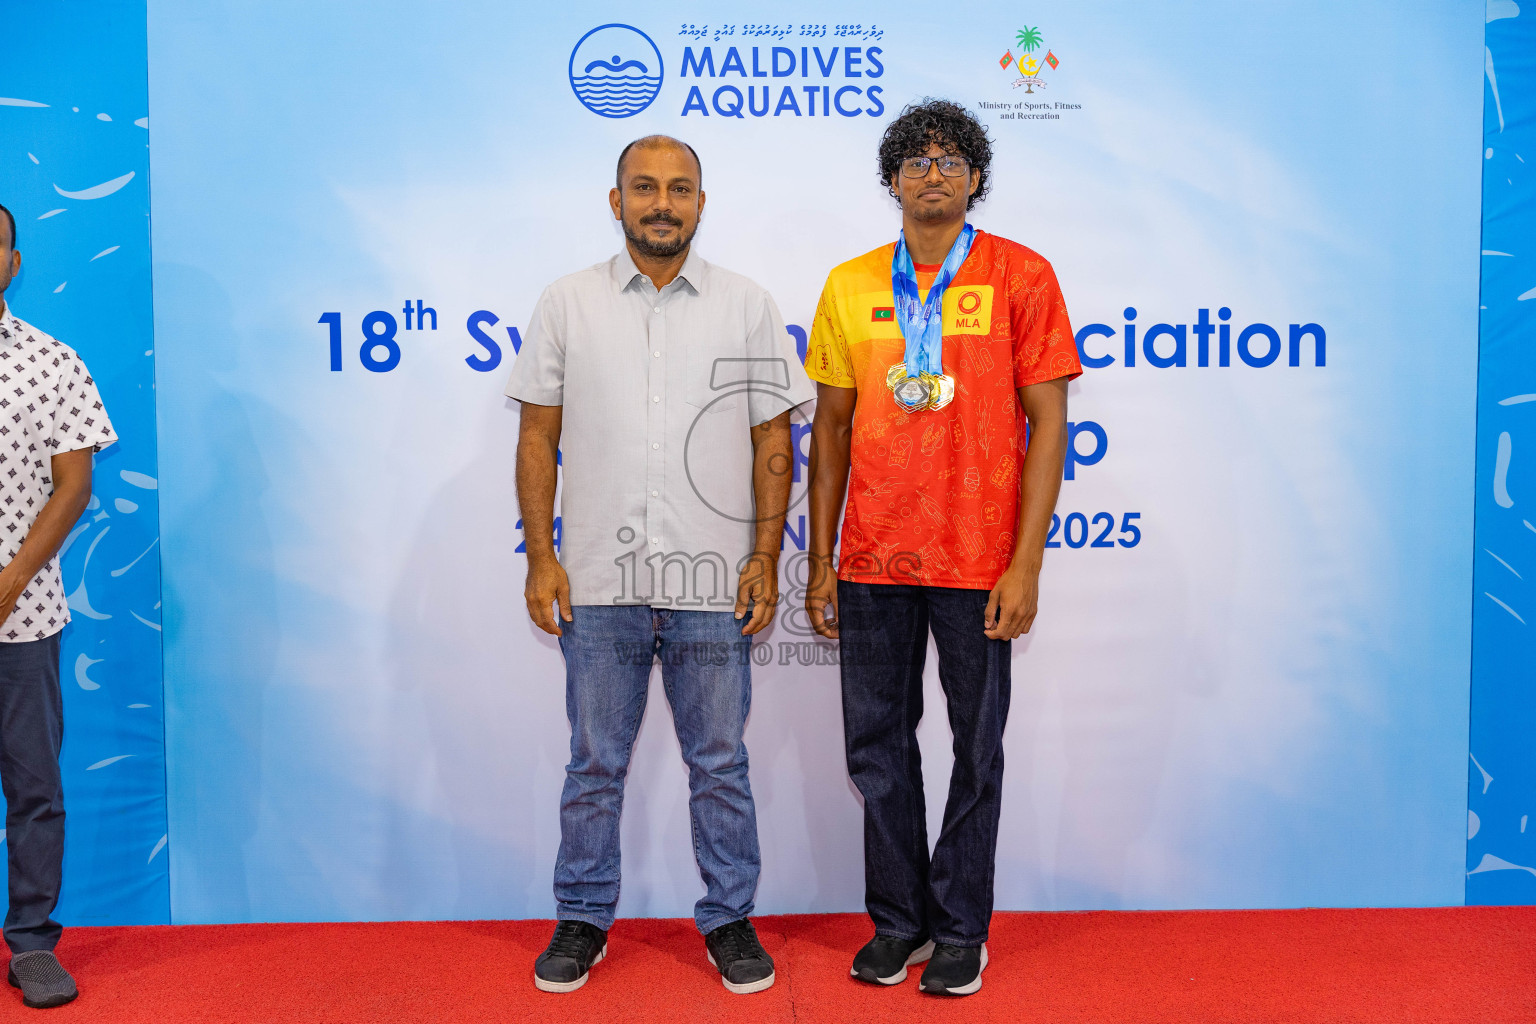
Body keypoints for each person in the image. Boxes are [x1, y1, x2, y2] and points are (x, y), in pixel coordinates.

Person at [507, 136, 814, 995]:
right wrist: (542, 558)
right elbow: (536, 437)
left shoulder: (746, 304)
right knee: (593, 764)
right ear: (617, 202)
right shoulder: (567, 302)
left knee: (720, 762)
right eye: (644, 187)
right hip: (597, 580)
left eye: (680, 189)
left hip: (711, 584)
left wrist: (764, 556)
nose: (662, 203)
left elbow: (773, 439)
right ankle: (582, 917)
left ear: (701, 203)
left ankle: (730, 918)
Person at [803, 100, 1082, 996]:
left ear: (976, 178)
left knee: (975, 747)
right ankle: (900, 923)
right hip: (873, 558)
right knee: (876, 750)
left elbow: (1049, 424)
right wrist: (819, 563)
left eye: (951, 159)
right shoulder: (850, 283)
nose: (933, 173)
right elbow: (830, 430)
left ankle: (962, 929)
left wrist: (1025, 564)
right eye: (916, 161)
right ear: (892, 180)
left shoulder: (1023, 275)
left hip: (978, 558)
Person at [0, 202, 118, 1009]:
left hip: (24, 619)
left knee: (34, 787)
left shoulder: (52, 360)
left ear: (13, 262)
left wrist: (7, 583)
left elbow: (74, 488)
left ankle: (33, 946)